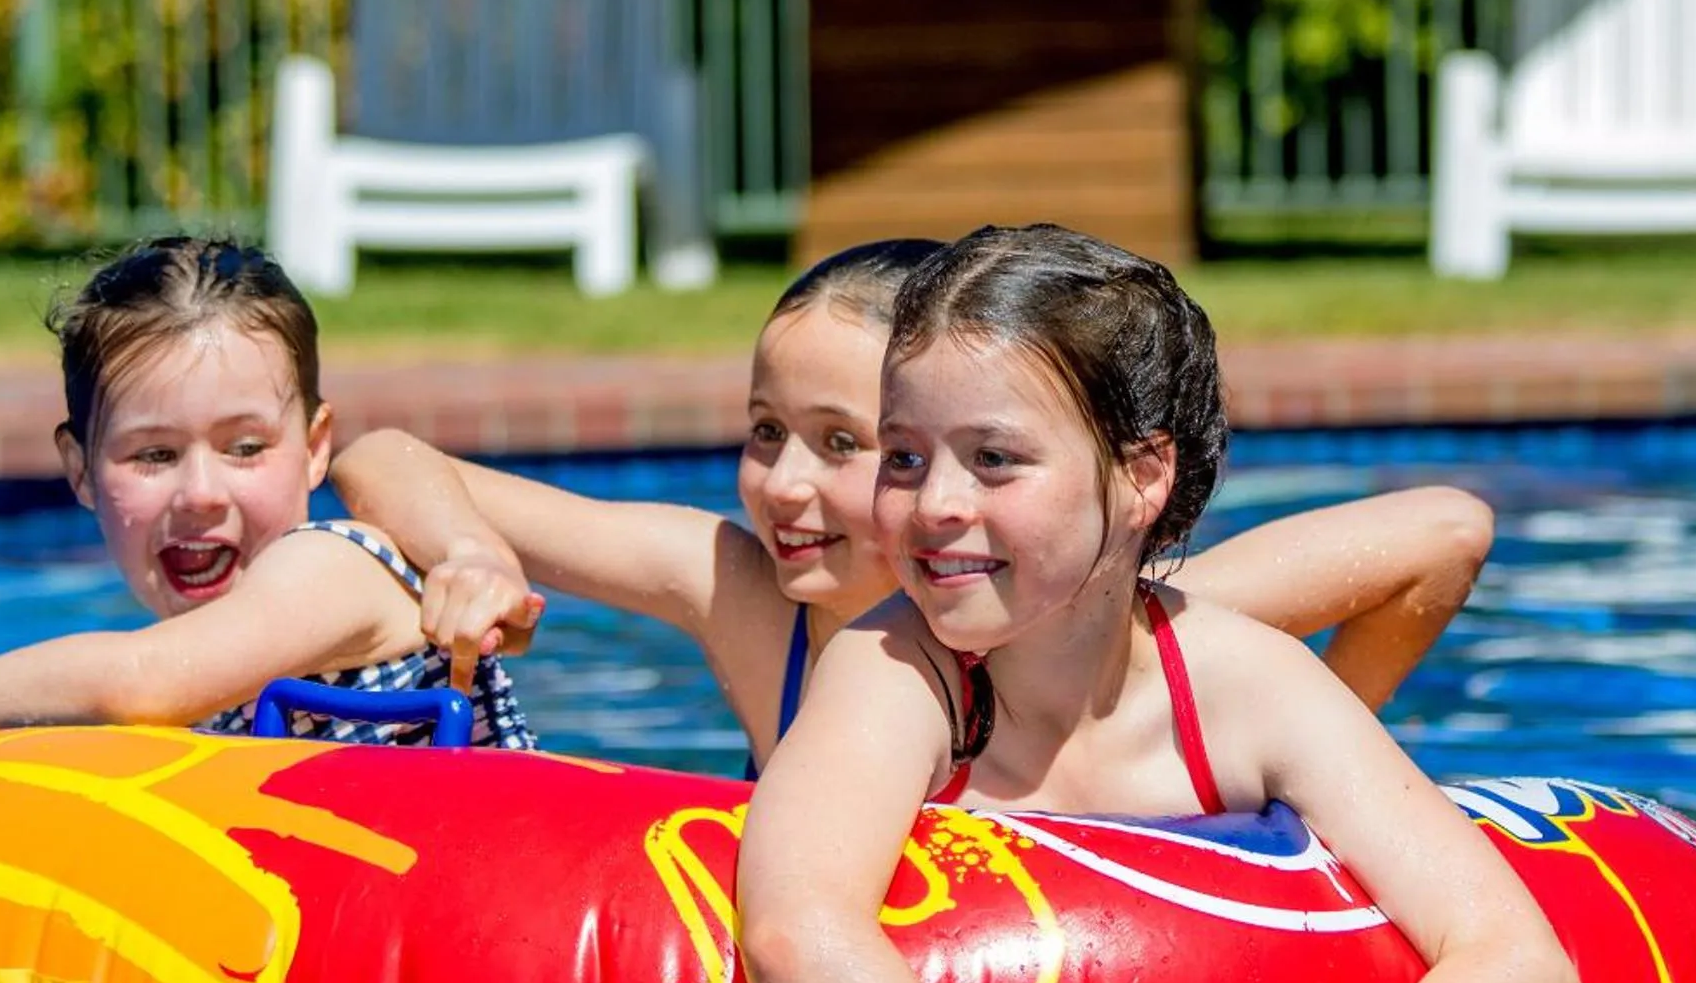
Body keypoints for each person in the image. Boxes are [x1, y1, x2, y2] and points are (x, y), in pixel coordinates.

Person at [734, 224, 1582, 983]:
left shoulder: (1243, 684)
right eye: (904, 456)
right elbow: (798, 932)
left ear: (1140, 476)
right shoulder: (897, 669)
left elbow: (1515, 961)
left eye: (992, 457)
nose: (935, 502)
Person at [332, 238, 1494, 775]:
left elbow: (1442, 528)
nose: (785, 485)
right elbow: (382, 453)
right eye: (764, 431)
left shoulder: (1112, 631)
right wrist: (471, 552)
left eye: (849, 445)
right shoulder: (746, 599)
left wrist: (1291, 774)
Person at [0, 235, 539, 839]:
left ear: (314, 447)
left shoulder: (335, 566)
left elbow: (143, 680)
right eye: (153, 455)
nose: (201, 493)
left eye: (245, 448)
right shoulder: (198, 673)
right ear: (80, 470)